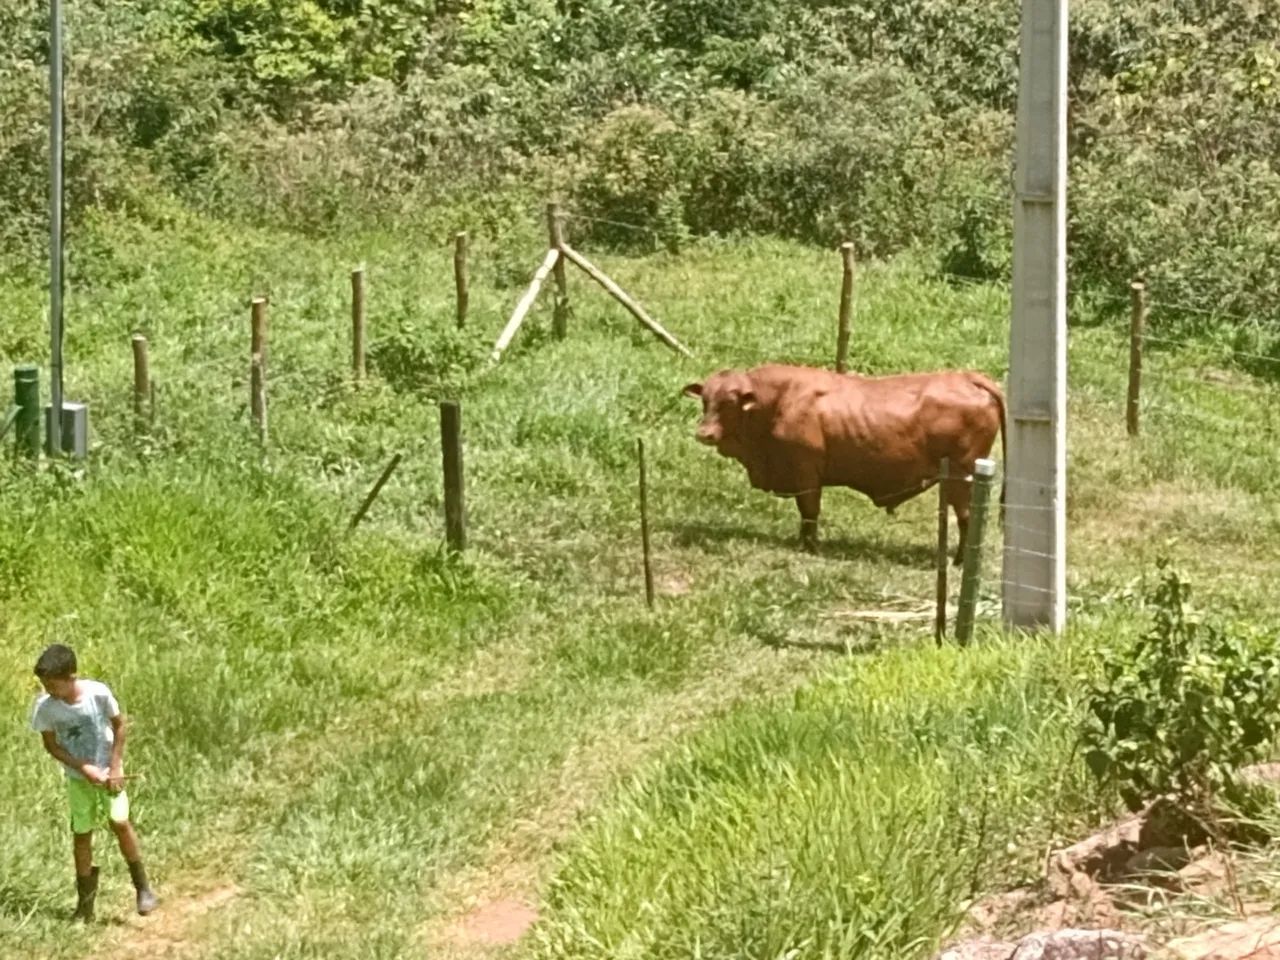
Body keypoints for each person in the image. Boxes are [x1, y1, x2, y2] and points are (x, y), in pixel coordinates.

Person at [30, 643, 158, 922]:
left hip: (109, 773)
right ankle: (85, 905)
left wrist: (114, 767)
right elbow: (51, 746)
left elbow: (120, 724)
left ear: (71, 677)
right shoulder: (46, 708)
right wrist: (83, 767)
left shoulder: (97, 694)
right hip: (79, 779)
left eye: (53, 684)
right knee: (82, 835)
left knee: (120, 822)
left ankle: (143, 888)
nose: (48, 690)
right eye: (44, 684)